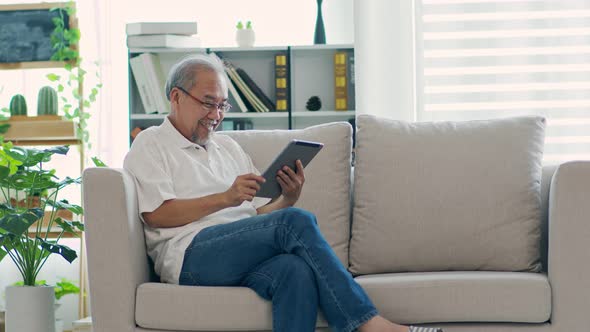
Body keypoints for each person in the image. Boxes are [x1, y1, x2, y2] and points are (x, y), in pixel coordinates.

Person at [124, 54, 443, 332]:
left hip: (236, 250)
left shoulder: (228, 148)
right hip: (190, 257)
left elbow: (254, 219)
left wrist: (287, 198)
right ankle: (368, 323)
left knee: (296, 271)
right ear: (176, 97)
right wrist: (226, 197)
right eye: (208, 102)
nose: (216, 114)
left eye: (222, 105)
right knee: (294, 221)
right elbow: (158, 214)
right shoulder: (151, 143)